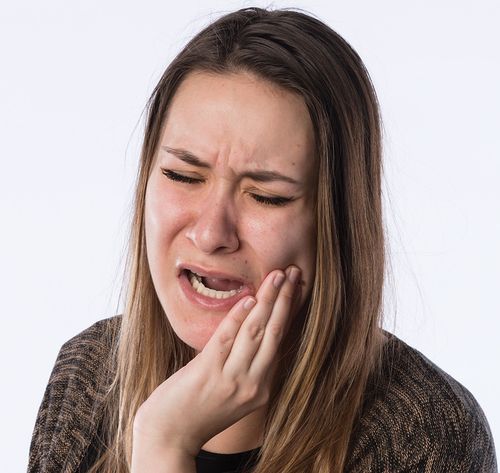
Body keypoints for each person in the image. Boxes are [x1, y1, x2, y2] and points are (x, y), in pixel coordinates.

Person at [28, 6, 497, 473]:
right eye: (182, 175)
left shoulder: (425, 431)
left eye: (266, 196)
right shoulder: (87, 374)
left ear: (337, 225)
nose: (211, 233)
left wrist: (165, 446)